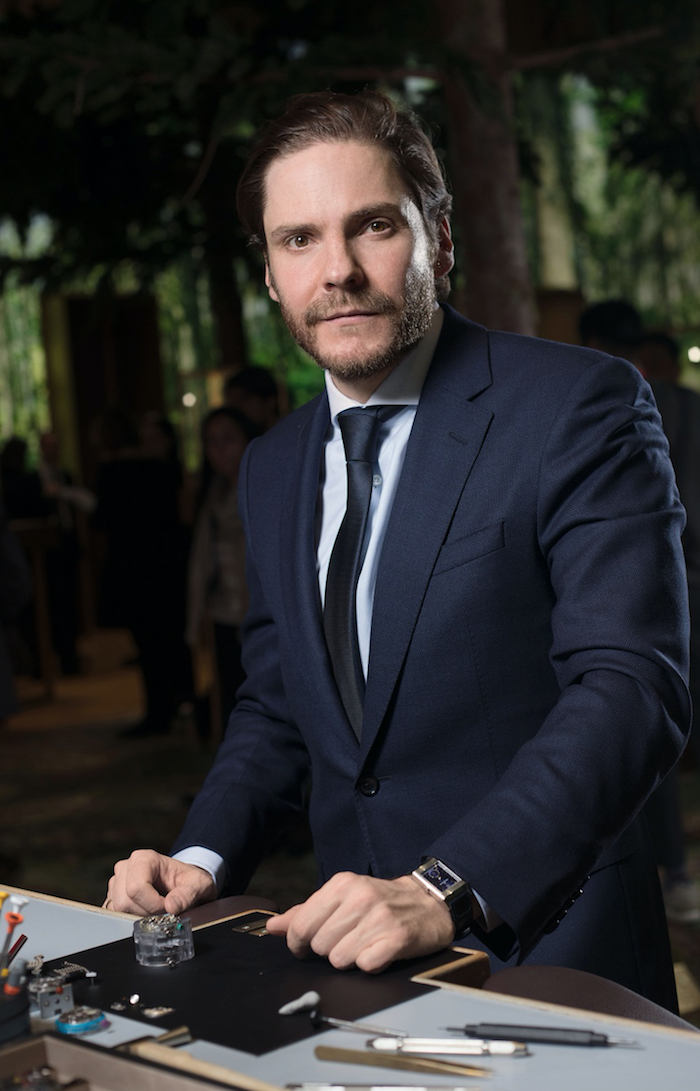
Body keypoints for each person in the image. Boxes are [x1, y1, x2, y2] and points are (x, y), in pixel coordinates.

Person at [106, 91, 690, 1008]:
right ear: (271, 274)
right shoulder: (271, 466)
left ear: (439, 241)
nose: (336, 270)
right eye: (299, 239)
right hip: (351, 960)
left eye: (373, 225)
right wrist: (202, 857)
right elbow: (277, 703)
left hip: (550, 948)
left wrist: (447, 886)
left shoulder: (576, 405)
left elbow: (632, 686)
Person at [186, 407, 260, 739]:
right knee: (231, 698)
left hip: (261, 612)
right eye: (211, 442)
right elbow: (201, 563)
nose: (220, 450)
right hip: (222, 612)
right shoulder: (212, 495)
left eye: (228, 439)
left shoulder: (263, 487)